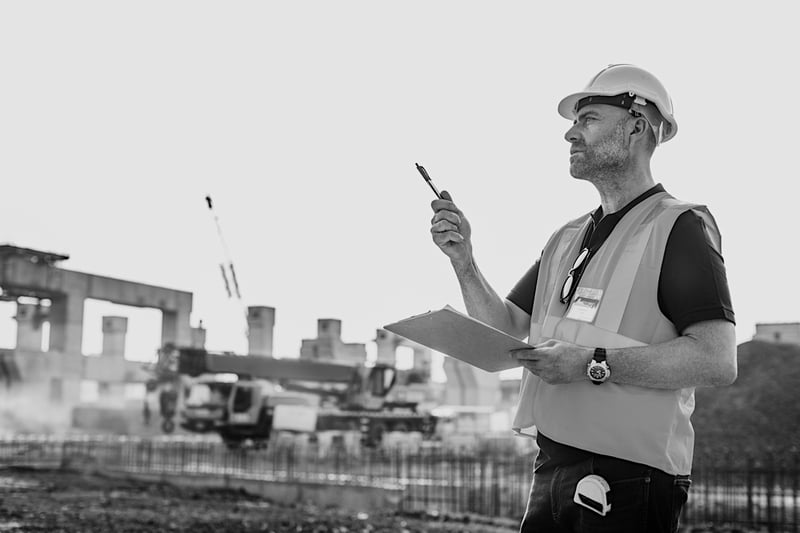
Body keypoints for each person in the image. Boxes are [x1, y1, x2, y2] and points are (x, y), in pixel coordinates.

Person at [429, 64, 737, 532]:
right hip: (554, 463)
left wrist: (591, 363)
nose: (570, 134)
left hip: (632, 476)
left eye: (588, 118)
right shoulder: (568, 236)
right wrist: (463, 261)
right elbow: (507, 329)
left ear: (637, 126)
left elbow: (716, 360)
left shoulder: (678, 226)